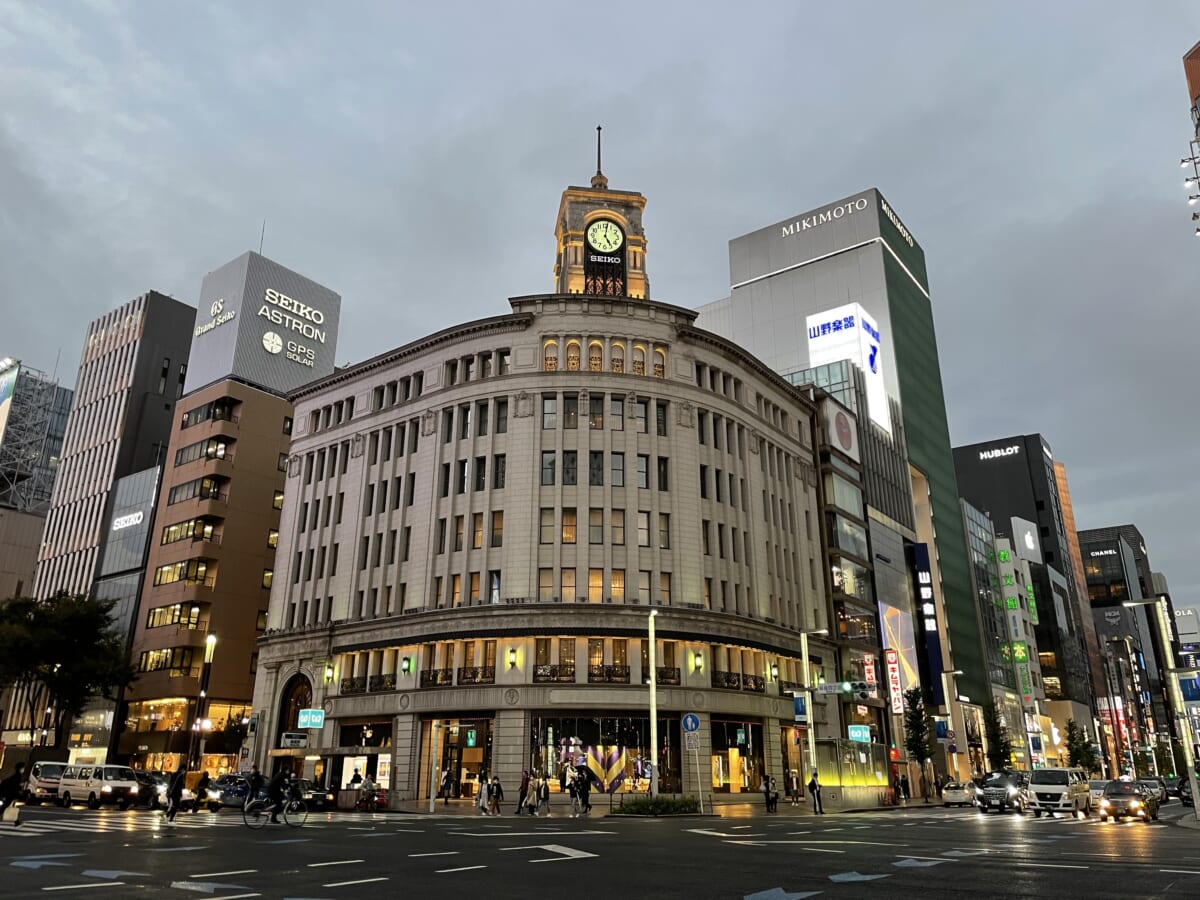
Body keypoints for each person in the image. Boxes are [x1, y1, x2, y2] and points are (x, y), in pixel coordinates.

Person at [0, 762, 25, 828]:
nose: (23, 770)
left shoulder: (16, 776)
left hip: (8, 794)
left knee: (8, 807)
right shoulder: (18, 776)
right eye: (23, 768)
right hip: (9, 795)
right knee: (5, 807)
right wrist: (20, 791)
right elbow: (14, 786)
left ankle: (17, 822)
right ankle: (17, 822)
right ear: (20, 769)